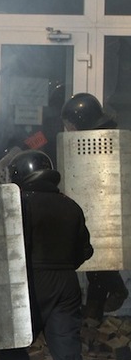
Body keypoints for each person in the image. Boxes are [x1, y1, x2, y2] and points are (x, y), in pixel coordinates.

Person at [0, 150, 93, 360]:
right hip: (65, 284)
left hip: (25, 281)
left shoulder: (18, 205)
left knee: (14, 346)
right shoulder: (71, 205)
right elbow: (85, 252)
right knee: (68, 354)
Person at [60, 92, 129, 321]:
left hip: (103, 209)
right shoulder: (100, 136)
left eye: (70, 125)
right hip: (97, 208)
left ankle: (114, 292)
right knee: (97, 265)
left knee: (97, 260)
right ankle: (93, 315)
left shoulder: (101, 140)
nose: (68, 130)